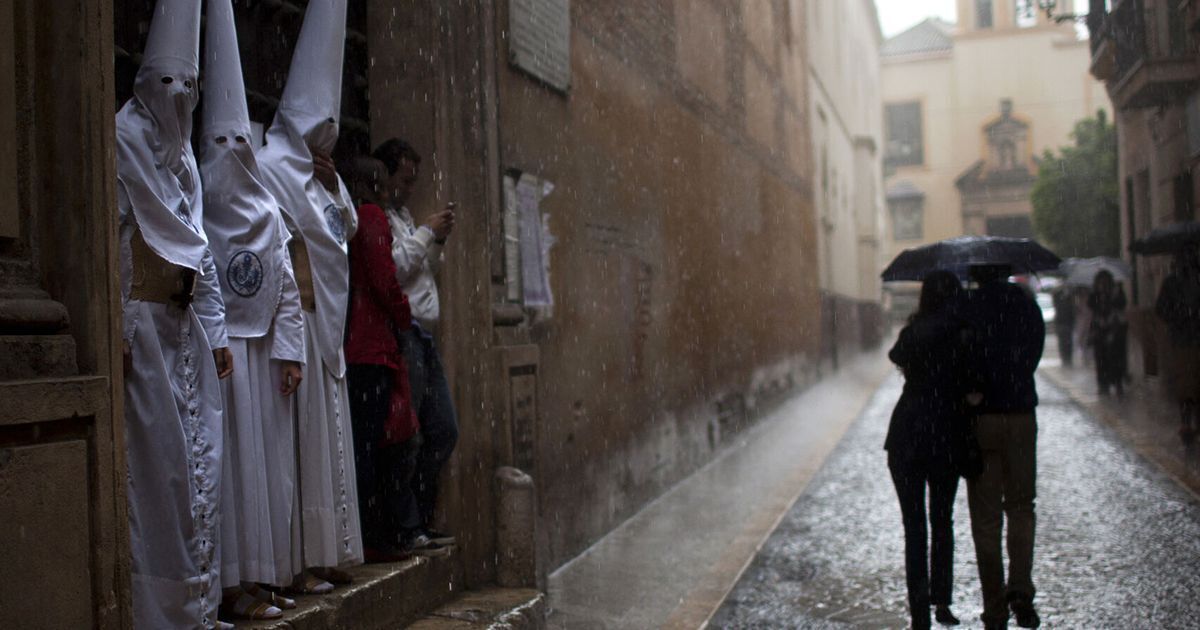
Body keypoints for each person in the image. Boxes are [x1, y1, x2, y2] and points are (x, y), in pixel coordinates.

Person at [115, 0, 233, 626]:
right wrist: (116, 320)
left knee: (198, 475)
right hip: (145, 331)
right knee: (158, 478)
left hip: (184, 332)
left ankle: (198, 607)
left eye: (188, 85)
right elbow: (115, 232)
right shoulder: (122, 139)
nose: (177, 94)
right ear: (144, 81)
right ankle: (159, 612)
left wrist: (216, 332)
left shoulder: (185, 153)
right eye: (168, 82)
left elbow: (201, 245)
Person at [199, 0, 306, 620]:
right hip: (220, 361)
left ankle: (262, 576)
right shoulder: (198, 203)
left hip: (262, 358)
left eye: (242, 139)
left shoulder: (267, 212)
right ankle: (227, 584)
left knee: (265, 476)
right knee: (228, 477)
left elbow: (286, 285)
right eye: (223, 139)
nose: (234, 148)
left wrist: (290, 352)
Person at [257, 0, 364, 593]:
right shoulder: (271, 165)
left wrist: (334, 181)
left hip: (327, 330)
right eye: (319, 124)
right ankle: (294, 562)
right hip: (294, 325)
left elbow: (343, 229)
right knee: (296, 448)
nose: (326, 136)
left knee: (326, 446)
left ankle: (326, 554)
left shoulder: (319, 173)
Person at [343, 157, 449, 559]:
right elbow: (388, 276)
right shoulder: (370, 217)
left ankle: (393, 528)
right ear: (380, 184)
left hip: (376, 342)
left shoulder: (374, 217)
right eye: (396, 181)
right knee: (386, 442)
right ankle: (384, 533)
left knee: (385, 440)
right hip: (374, 345)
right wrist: (402, 316)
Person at [372, 138, 459, 547]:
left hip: (423, 333)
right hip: (403, 332)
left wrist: (434, 240)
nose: (407, 190)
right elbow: (397, 270)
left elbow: (424, 270)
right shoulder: (380, 219)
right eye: (403, 180)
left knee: (442, 428)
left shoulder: (403, 217)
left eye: (412, 182)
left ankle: (421, 519)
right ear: (385, 176)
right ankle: (406, 527)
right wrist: (426, 233)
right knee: (408, 433)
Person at [885, 270, 975, 630]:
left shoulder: (913, 331)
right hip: (945, 434)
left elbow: (898, 355)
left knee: (914, 527)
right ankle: (941, 601)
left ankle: (919, 608)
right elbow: (970, 380)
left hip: (907, 433)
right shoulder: (962, 332)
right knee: (942, 521)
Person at [964, 263, 1045, 630]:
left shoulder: (968, 307)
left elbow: (960, 357)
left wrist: (977, 386)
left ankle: (994, 606)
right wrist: (1015, 376)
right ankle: (1021, 592)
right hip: (1021, 413)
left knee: (986, 519)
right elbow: (1034, 352)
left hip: (982, 418)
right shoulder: (1026, 304)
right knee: (1021, 506)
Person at [1156, 247, 1200, 443]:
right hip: (1183, 340)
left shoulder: (1189, 281)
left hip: (1190, 338)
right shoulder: (1171, 283)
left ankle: (1190, 423)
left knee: (1190, 383)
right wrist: (1179, 315)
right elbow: (1161, 309)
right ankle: (1186, 423)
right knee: (1186, 384)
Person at [1087, 270, 1128, 397]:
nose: (1103, 283)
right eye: (1100, 281)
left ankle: (1117, 381)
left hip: (1115, 329)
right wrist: (1097, 295)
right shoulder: (1095, 294)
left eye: (1105, 280)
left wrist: (1114, 295)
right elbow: (1091, 305)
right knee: (1101, 358)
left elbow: (1122, 304)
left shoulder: (1116, 292)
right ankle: (1103, 384)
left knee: (1117, 358)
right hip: (1099, 330)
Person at [1051, 286, 1076, 366]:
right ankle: (1065, 359)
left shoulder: (1069, 299)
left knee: (1068, 342)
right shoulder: (1058, 299)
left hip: (1067, 323)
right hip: (1062, 323)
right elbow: (1054, 296)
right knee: (1063, 342)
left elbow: (1072, 311)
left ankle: (1068, 359)